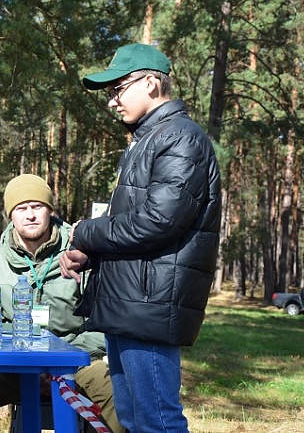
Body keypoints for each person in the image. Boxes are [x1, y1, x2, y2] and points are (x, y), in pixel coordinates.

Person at [61, 43, 221, 432]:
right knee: (133, 419)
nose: (112, 101)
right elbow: (136, 227)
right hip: (129, 301)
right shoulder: (148, 139)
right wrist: (89, 253)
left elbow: (158, 221)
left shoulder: (180, 138)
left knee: (157, 421)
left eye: (118, 89)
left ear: (150, 83)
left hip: (149, 305)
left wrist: (84, 231)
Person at [0, 174, 124, 433]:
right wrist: (23, 362)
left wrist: (60, 361)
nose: (30, 215)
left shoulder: (82, 254)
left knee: (116, 388)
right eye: (21, 208)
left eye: (37, 206)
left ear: (50, 210)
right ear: (11, 215)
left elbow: (102, 325)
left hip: (73, 363)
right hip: (11, 366)